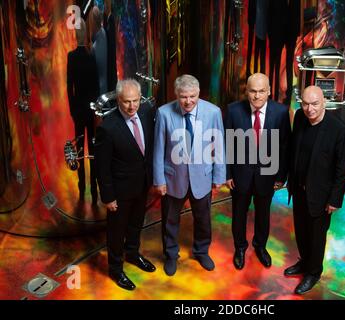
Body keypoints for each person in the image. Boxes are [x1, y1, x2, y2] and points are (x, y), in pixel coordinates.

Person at [153, 74, 226, 276]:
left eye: (192, 96)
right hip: (172, 179)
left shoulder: (213, 112)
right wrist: (159, 179)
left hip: (202, 177)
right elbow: (158, 149)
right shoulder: (164, 113)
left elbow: (219, 146)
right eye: (183, 96)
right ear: (176, 94)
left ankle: (201, 251)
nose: (188, 101)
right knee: (170, 220)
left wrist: (219, 176)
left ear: (198, 93)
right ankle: (170, 255)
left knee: (203, 219)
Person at [286, 86, 345, 294]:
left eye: (314, 104)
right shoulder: (299, 117)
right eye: (305, 103)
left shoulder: (338, 129)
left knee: (316, 236)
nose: (309, 109)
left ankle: (313, 272)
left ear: (324, 103)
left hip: (322, 196)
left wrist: (335, 199)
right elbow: (293, 150)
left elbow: (342, 168)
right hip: (299, 190)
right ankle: (304, 262)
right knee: (302, 231)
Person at [224, 73, 291, 270]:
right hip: (240, 175)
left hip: (267, 176)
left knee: (263, 214)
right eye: (252, 91)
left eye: (262, 91)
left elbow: (285, 146)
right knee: (239, 214)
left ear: (269, 91)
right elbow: (227, 144)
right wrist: (227, 174)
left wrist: (281, 176)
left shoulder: (280, 112)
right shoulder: (234, 111)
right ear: (246, 91)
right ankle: (240, 248)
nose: (257, 96)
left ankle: (260, 246)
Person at [95, 79, 156, 290]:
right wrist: (108, 197)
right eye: (126, 102)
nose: (132, 107)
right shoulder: (108, 127)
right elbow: (101, 168)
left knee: (136, 224)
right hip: (119, 192)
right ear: (118, 100)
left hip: (142, 184)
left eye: (135, 101)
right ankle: (116, 269)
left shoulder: (147, 112)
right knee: (116, 231)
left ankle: (133, 254)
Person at [66, 18, 99, 203]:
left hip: (78, 110)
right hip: (90, 110)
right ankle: (94, 188)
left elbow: (69, 87)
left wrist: (72, 110)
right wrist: (94, 109)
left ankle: (82, 186)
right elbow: (95, 87)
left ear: (74, 34)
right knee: (92, 149)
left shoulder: (72, 57)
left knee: (79, 149)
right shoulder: (90, 56)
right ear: (85, 34)